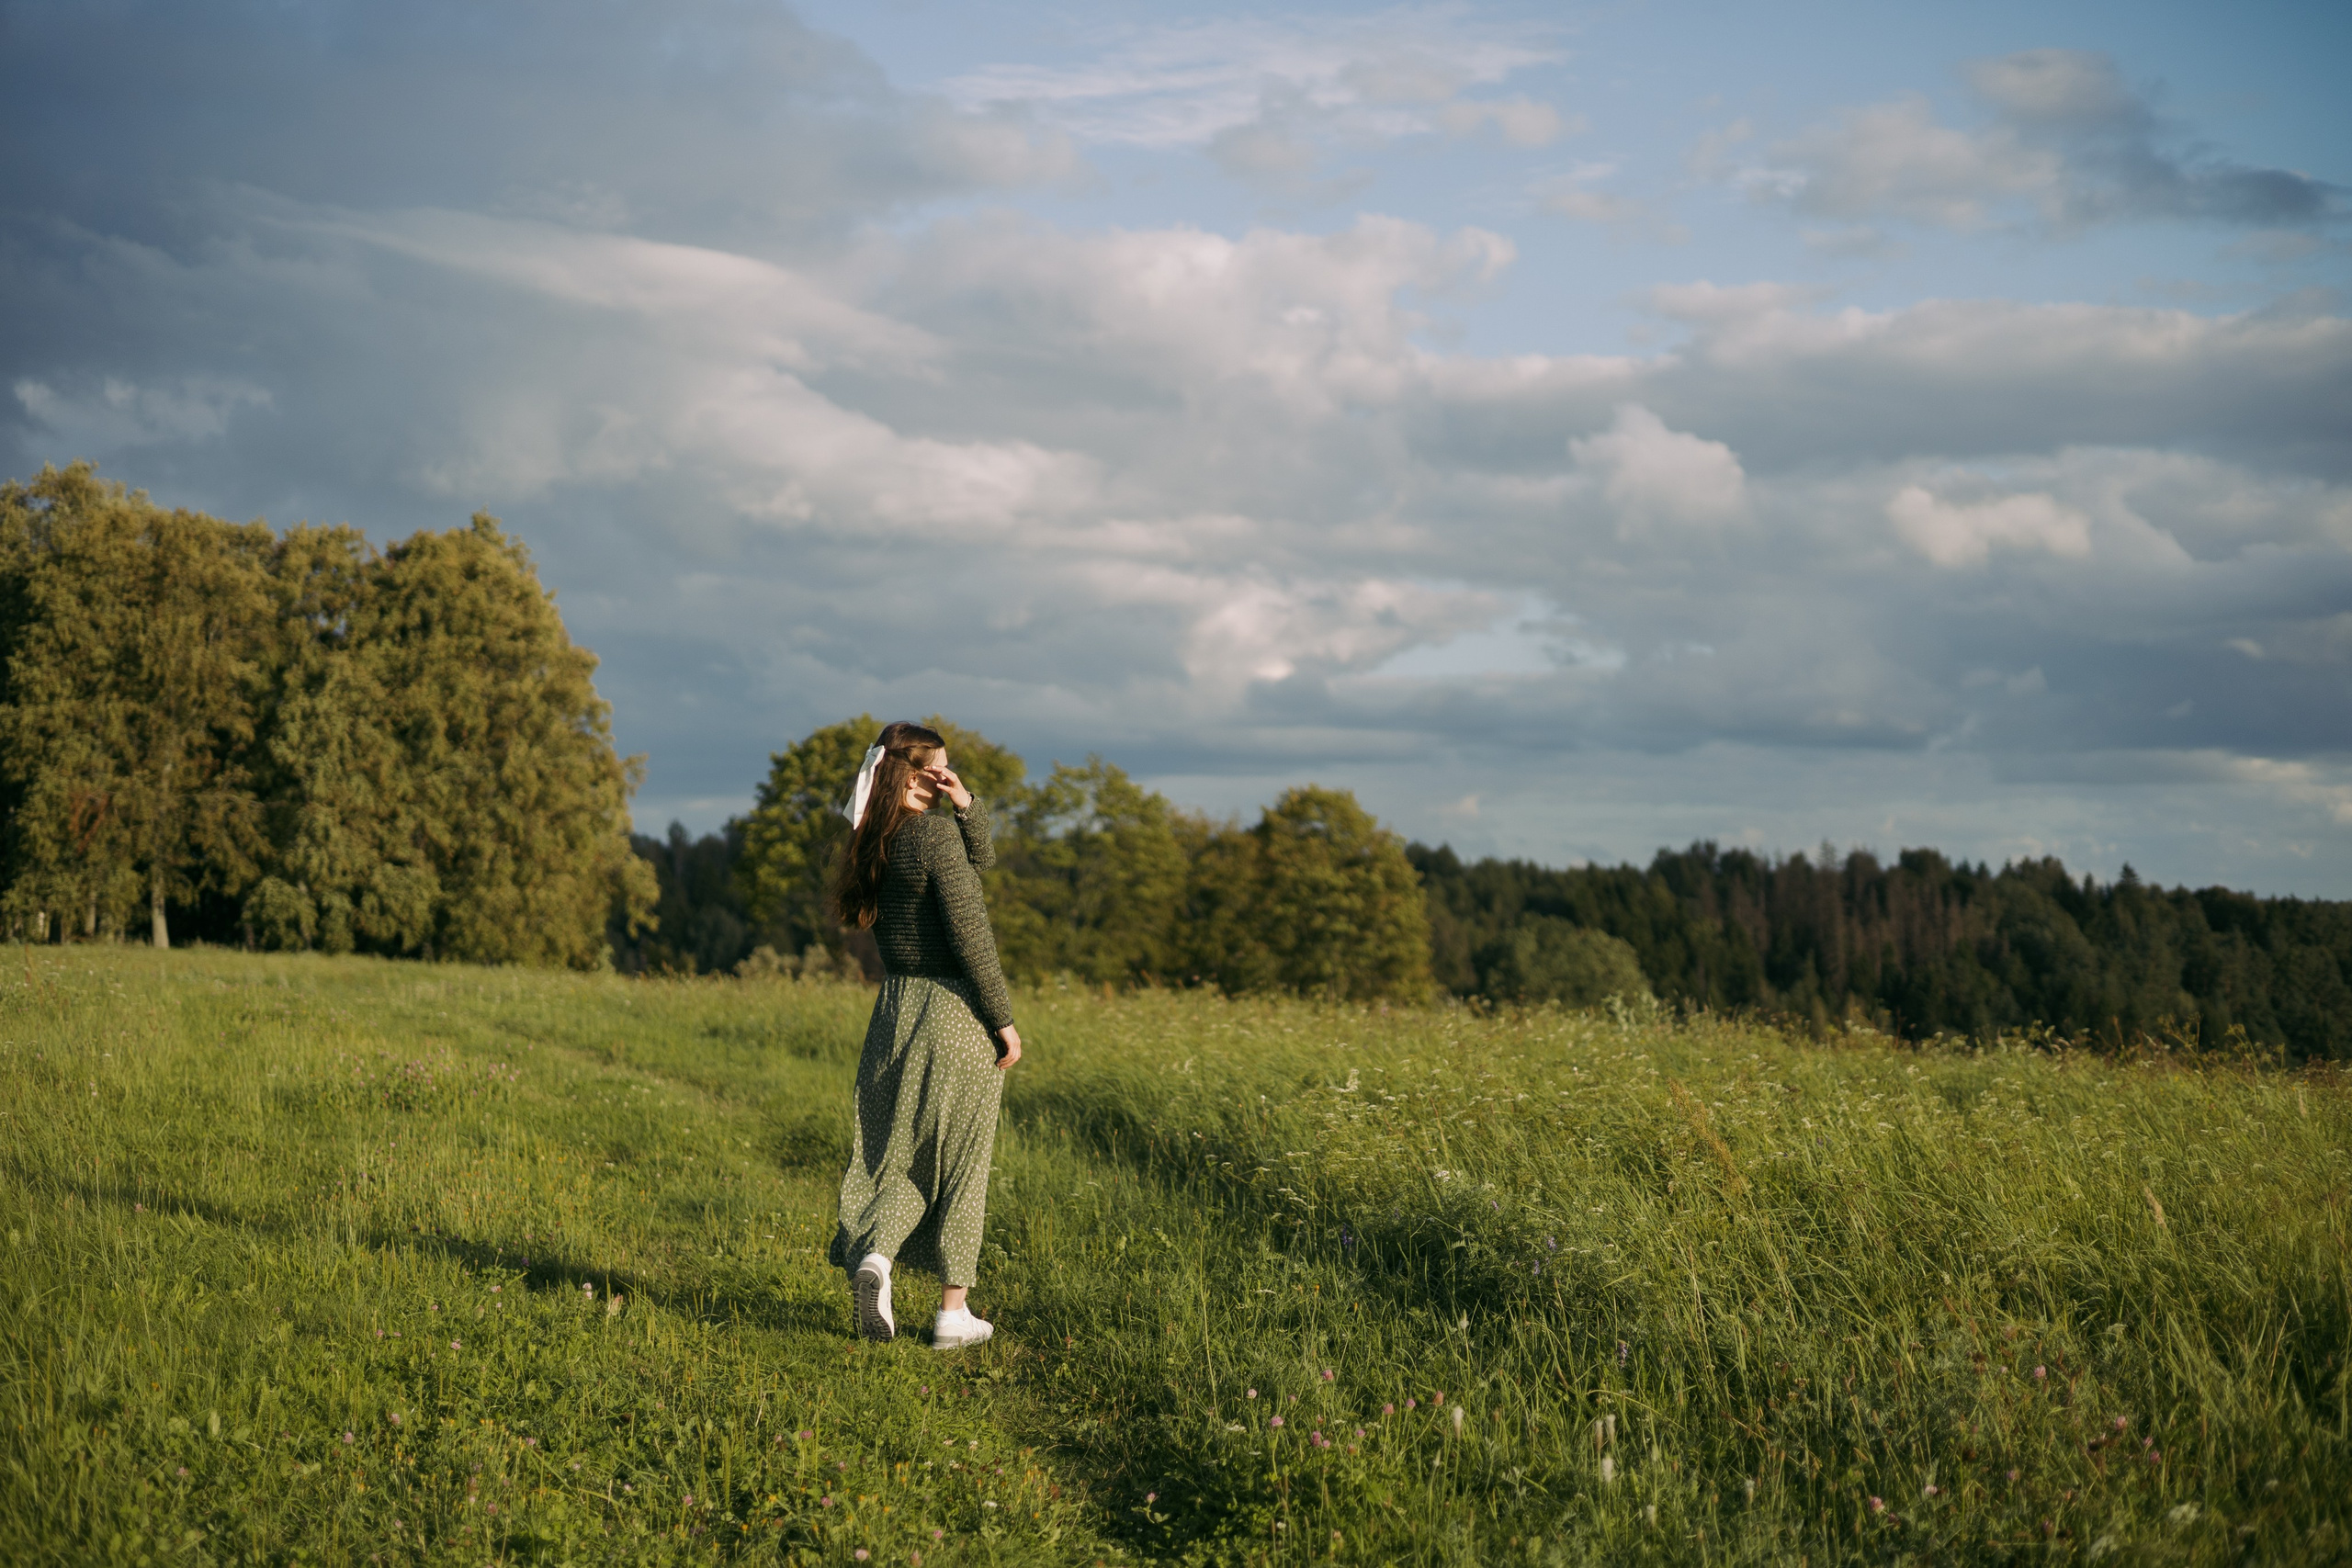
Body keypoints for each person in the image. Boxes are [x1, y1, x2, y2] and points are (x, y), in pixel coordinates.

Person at [826, 721, 1023, 1349]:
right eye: (937, 772)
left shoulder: (871, 839)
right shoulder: (935, 836)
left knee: (905, 1157)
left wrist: (969, 806)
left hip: (895, 1010)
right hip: (953, 1012)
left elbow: (981, 856)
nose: (945, 782)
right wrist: (1003, 1020)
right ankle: (952, 1312)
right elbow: (972, 934)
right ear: (913, 775)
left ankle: (877, 1261)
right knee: (961, 1161)